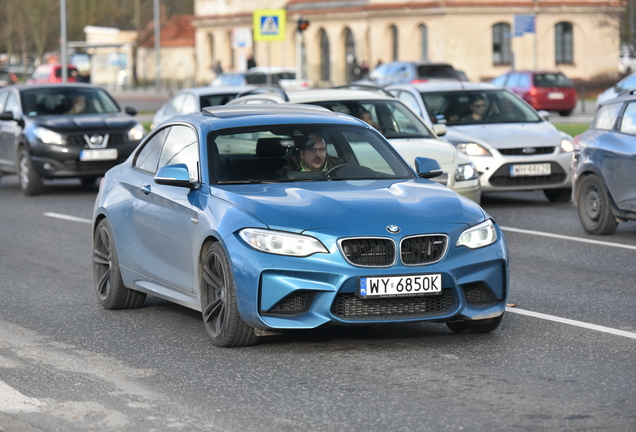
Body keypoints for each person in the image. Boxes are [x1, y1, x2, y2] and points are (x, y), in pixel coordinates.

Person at [276, 133, 341, 175]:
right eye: (312, 150)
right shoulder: (287, 173)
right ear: (302, 154)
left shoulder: (340, 169)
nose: (318, 154)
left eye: (321, 149)